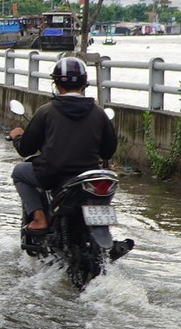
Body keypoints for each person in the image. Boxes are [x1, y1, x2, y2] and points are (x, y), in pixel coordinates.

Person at [9, 56, 119, 246]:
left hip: (53, 175)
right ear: (85, 83)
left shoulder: (45, 111)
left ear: (56, 84)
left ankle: (39, 218)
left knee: (19, 172)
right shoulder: (99, 113)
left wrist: (18, 136)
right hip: (88, 178)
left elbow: (26, 149)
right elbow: (108, 151)